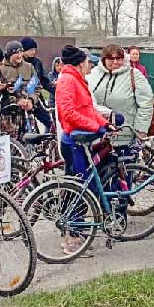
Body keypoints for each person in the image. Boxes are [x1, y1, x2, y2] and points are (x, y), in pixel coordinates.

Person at [55, 45, 112, 251]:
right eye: (89, 61)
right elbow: (68, 114)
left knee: (84, 185)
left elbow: (88, 110)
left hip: (81, 140)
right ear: (80, 63)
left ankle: (77, 232)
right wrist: (96, 126)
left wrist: (105, 124)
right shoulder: (68, 80)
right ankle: (72, 239)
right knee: (78, 190)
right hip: (74, 143)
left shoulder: (77, 79)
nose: (91, 65)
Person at [87, 44, 154, 148]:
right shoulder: (93, 74)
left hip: (124, 137)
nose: (115, 62)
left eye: (119, 58)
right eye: (110, 58)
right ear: (104, 59)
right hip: (96, 136)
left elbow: (146, 105)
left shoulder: (134, 75)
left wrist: (140, 131)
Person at [20, 37, 55, 131]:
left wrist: (55, 90)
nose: (33, 52)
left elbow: (43, 80)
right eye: (30, 49)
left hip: (36, 97)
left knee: (49, 121)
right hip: (22, 98)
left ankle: (49, 142)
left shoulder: (37, 62)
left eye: (34, 49)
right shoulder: (19, 62)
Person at [0, 40, 38, 118]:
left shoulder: (29, 67)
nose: (20, 55)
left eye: (21, 52)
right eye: (16, 53)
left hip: (28, 112)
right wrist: (17, 101)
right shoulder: (1, 69)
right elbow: (1, 92)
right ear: (10, 54)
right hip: (9, 114)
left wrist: (31, 100)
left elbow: (37, 87)